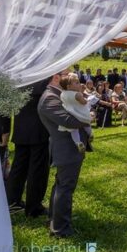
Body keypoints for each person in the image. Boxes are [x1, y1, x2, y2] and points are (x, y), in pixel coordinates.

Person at [38, 71, 89, 238]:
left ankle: (54, 219)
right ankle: (61, 229)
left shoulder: (56, 95)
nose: (68, 77)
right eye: (64, 74)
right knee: (65, 187)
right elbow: (69, 121)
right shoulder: (49, 98)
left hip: (68, 147)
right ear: (56, 77)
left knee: (62, 185)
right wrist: (90, 118)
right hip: (66, 147)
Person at [6, 79, 50, 216]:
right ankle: (34, 207)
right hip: (38, 130)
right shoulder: (43, 80)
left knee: (18, 168)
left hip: (21, 129)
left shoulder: (22, 78)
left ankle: (12, 201)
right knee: (37, 171)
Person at [59, 73, 94, 147]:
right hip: (80, 113)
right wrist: (87, 100)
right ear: (69, 86)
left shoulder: (62, 94)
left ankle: (78, 142)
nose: (80, 84)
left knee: (73, 130)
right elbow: (84, 102)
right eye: (77, 83)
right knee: (87, 124)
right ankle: (90, 134)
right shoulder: (77, 94)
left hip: (70, 114)